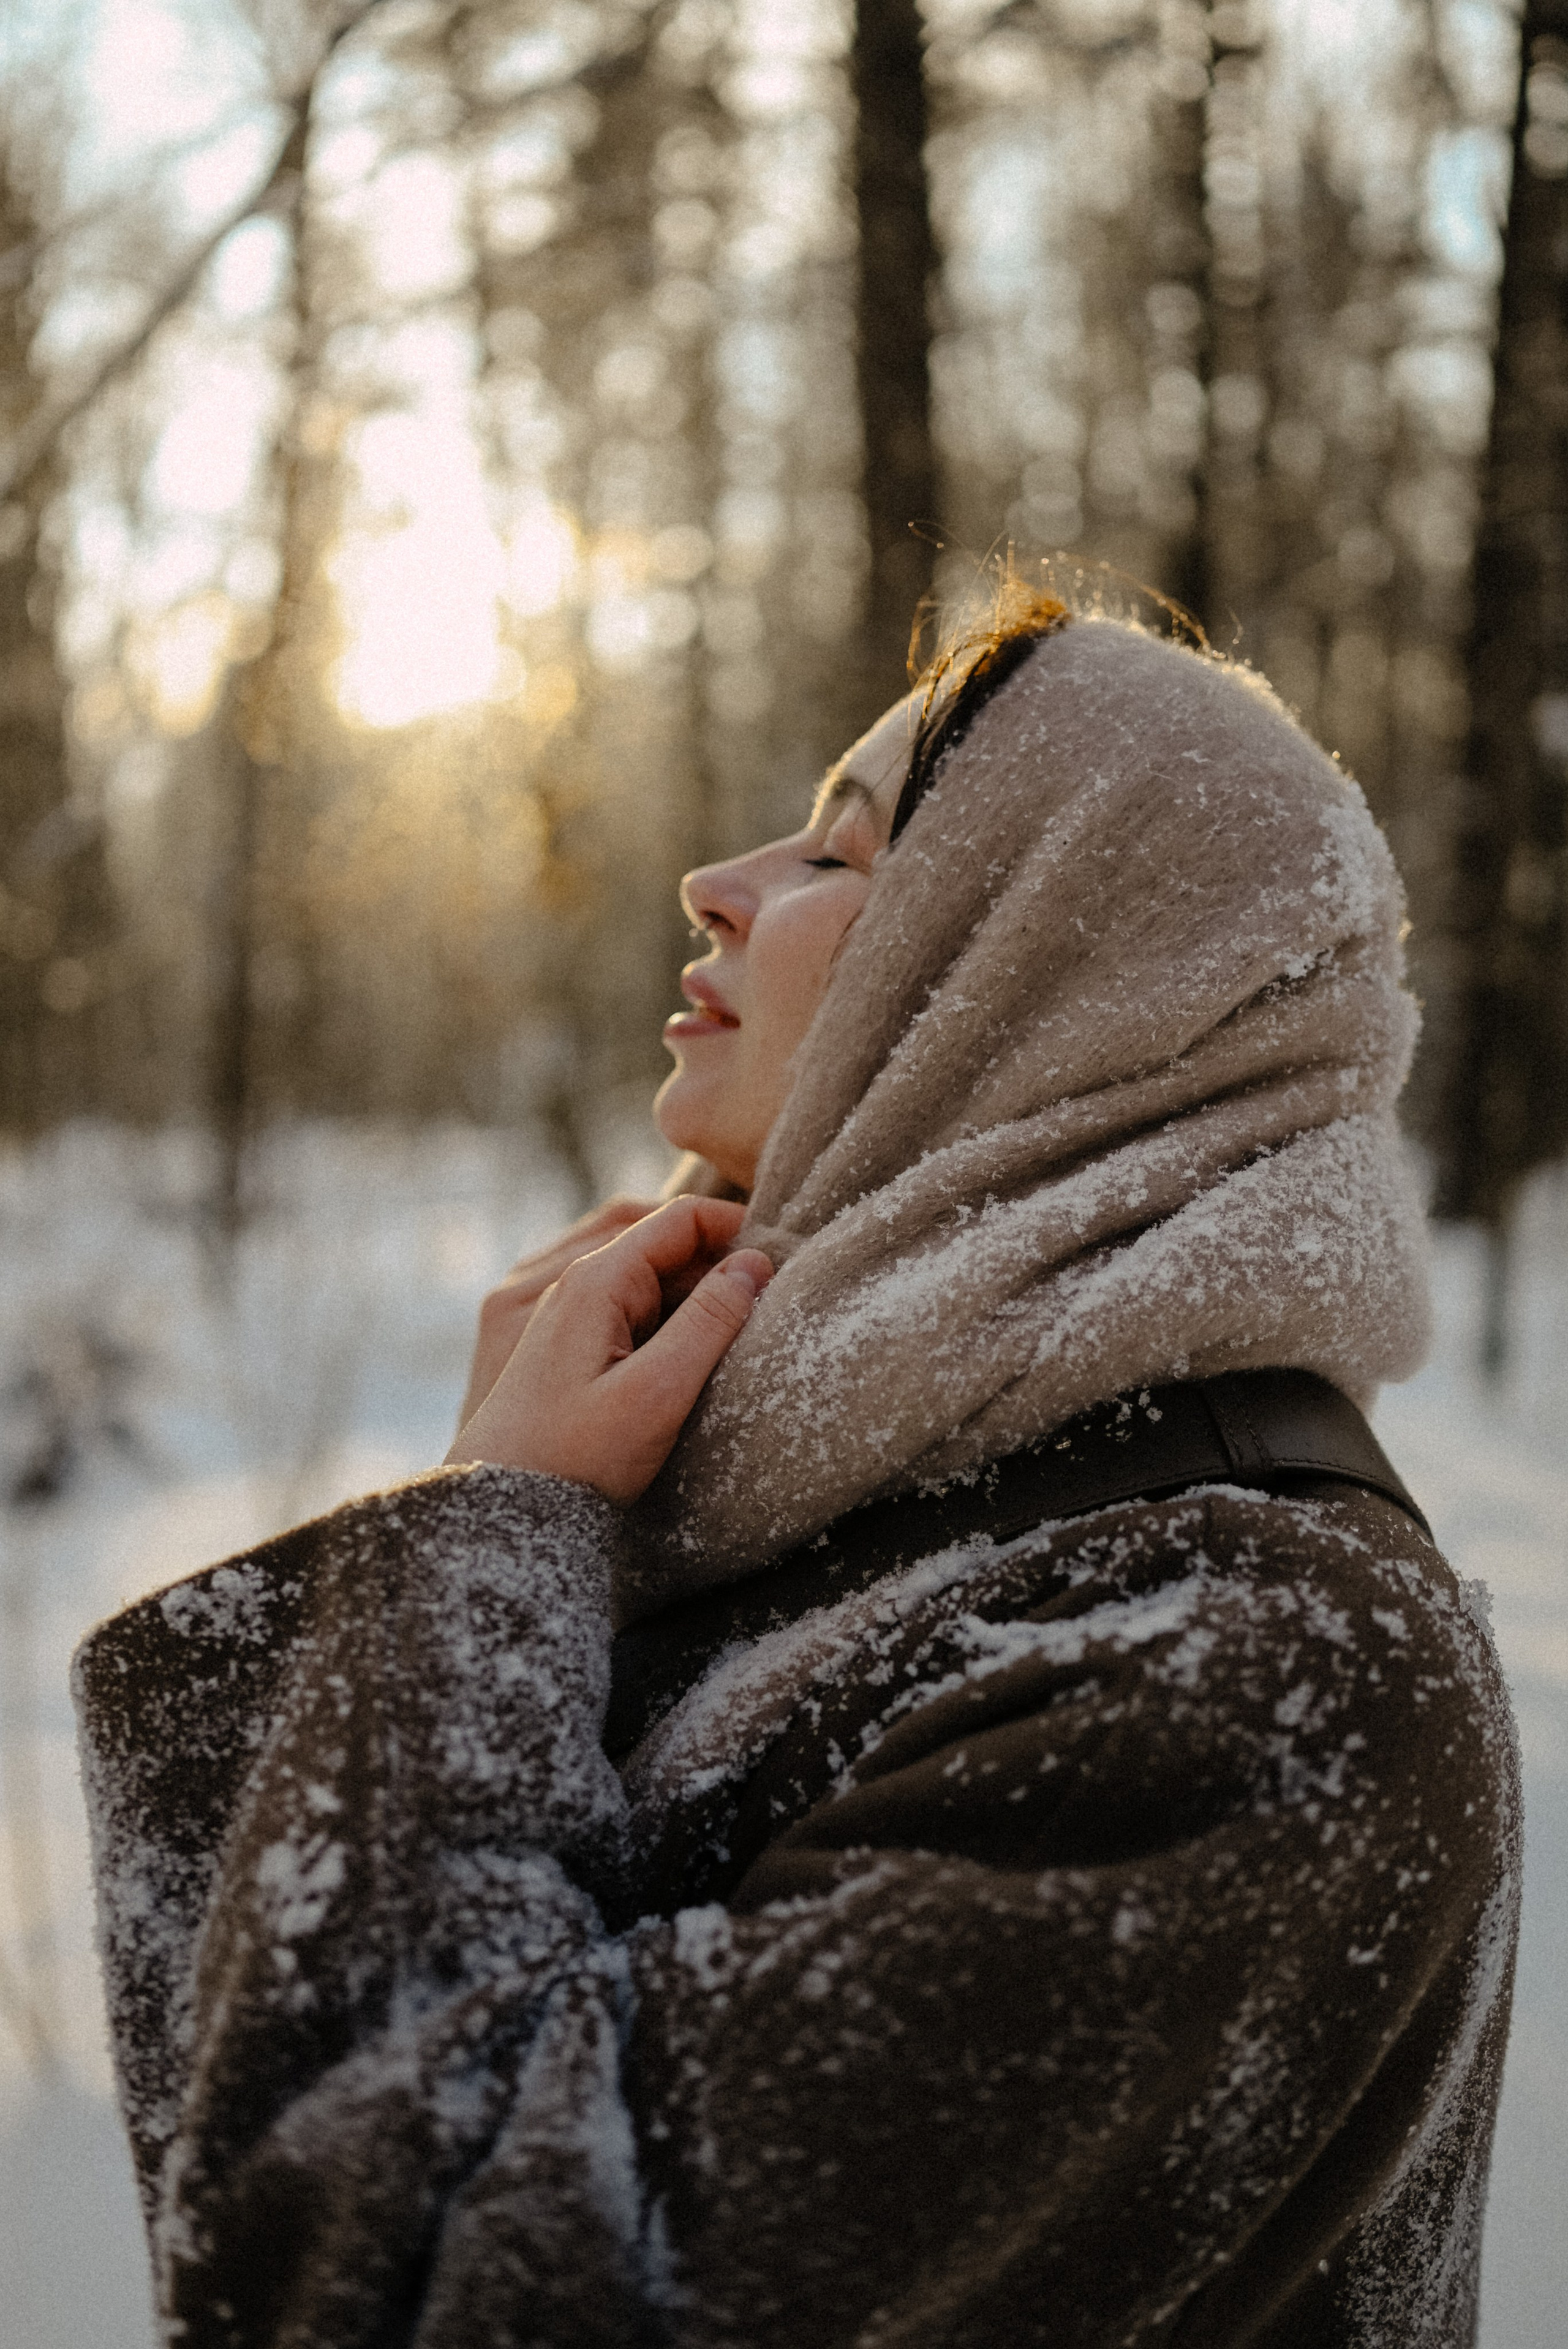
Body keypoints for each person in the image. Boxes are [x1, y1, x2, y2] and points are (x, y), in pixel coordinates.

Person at [75, 588, 1520, 2349]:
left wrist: (485, 1551)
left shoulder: (1258, 1660)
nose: (716, 881)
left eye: (846, 853)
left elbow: (418, 2295)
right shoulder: (858, 1519)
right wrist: (522, 1536)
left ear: (1045, 982)